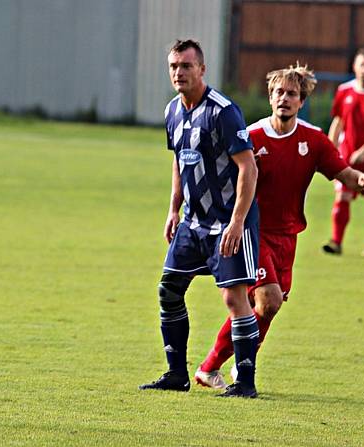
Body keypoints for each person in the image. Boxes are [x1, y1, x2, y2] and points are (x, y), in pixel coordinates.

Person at [194, 65, 364, 389]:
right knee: (268, 300)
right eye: (278, 92)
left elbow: (342, 173)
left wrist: (361, 179)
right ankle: (243, 366)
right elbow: (223, 180)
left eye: (291, 94)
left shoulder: (314, 140)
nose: (284, 98)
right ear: (270, 96)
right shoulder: (251, 137)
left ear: (301, 100)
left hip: (288, 235)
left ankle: (210, 368)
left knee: (265, 309)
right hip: (253, 232)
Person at [139, 39, 261, 398]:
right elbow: (179, 161)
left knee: (234, 299)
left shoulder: (223, 111)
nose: (179, 72)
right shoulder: (172, 112)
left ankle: (246, 383)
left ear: (202, 69)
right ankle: (176, 374)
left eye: (187, 66)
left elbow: (248, 168)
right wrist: (173, 209)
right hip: (192, 223)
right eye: (174, 66)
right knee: (169, 290)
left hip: (227, 222)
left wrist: (238, 221)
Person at [323, 48, 364, 256]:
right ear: (354, 67)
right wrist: (330, 148)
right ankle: (336, 242)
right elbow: (338, 121)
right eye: (361, 64)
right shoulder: (344, 90)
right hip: (347, 156)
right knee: (342, 196)